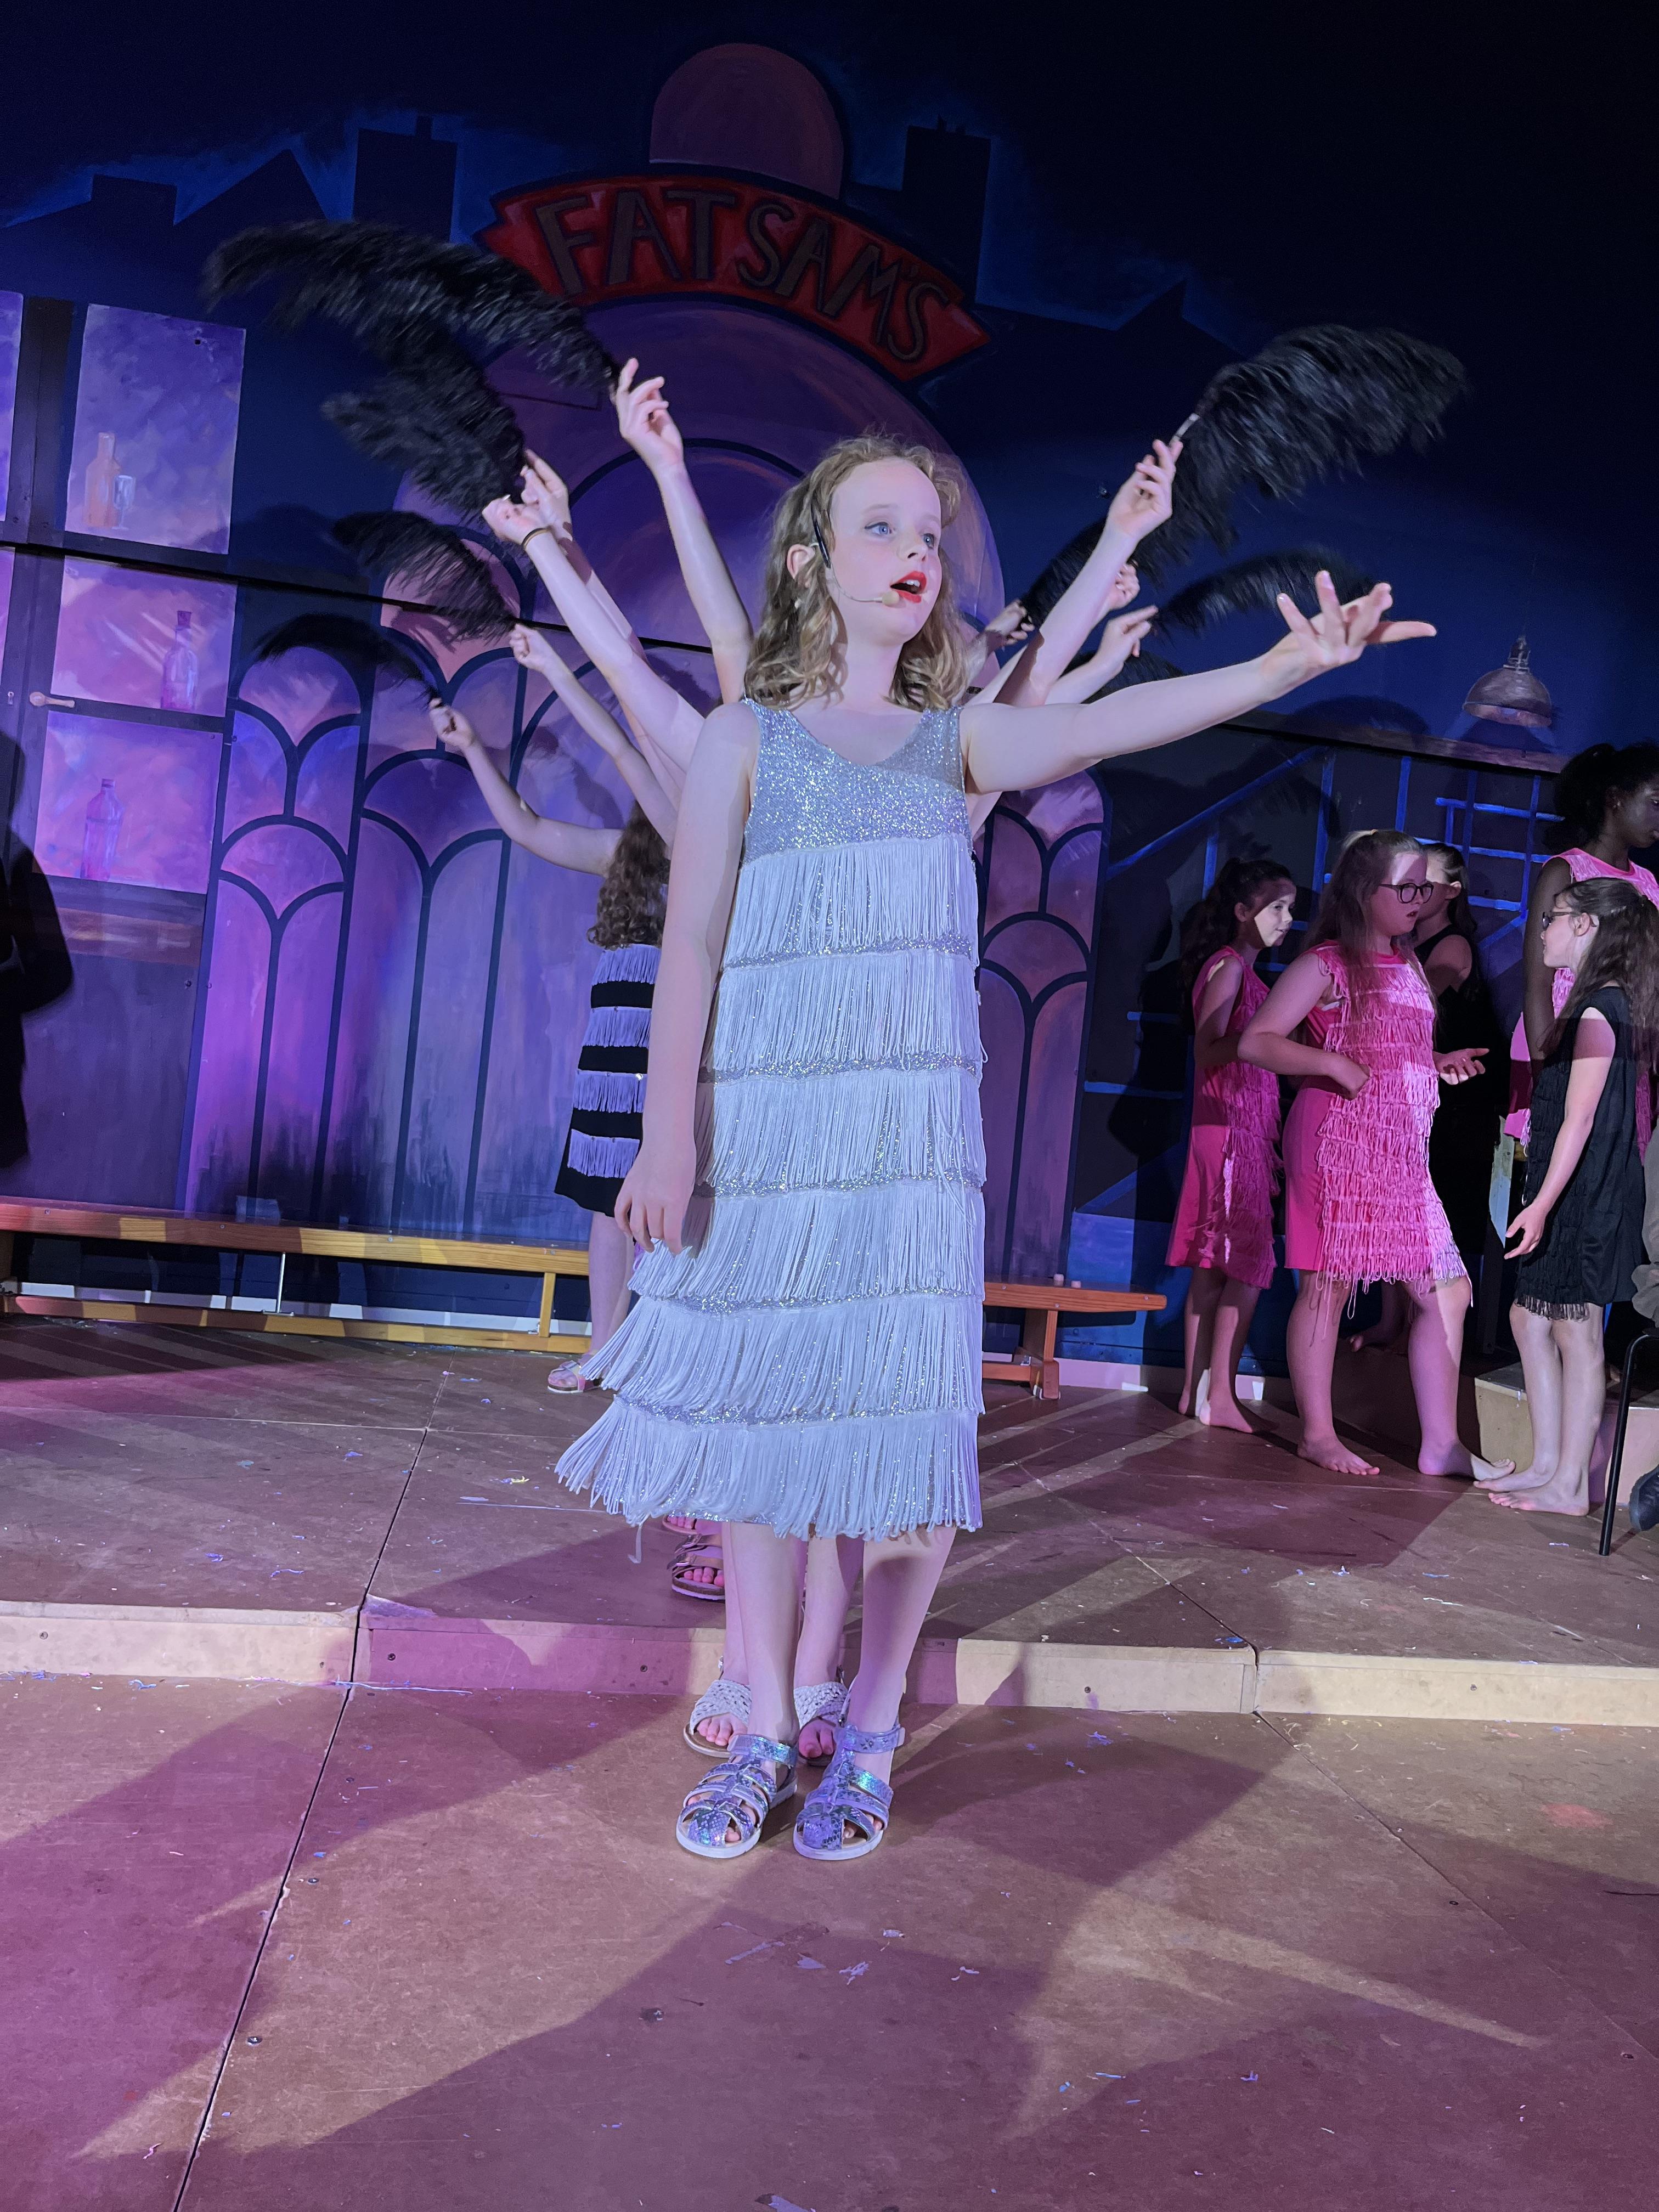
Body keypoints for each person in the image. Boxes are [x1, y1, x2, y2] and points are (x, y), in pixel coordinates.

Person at [547, 428, 1429, 1863]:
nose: (918, 552)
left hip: (908, 1170)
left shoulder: (954, 742)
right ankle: (764, 1724)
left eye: (931, 532)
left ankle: (868, 1731)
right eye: (884, 526)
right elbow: (690, 946)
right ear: (813, 561)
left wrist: (1279, 672)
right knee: (765, 1454)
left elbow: (1106, 726)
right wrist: (665, 1138)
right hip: (768, 1152)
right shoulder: (743, 741)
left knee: (903, 1458)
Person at [427, 651, 674, 1401]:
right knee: (608, 1210)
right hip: (611, 1067)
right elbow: (528, 827)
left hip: (673, 1067)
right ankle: (604, 1353)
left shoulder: (723, 867)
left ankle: (658, 1359)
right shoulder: (626, 861)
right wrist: (474, 747)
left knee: (668, 1215)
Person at [1239, 831, 1506, 1481]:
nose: (1419, 899)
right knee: (1328, 1283)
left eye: (1424, 887)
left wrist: (1435, 1063)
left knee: (1448, 1288)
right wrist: (1330, 1062)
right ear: (1364, 891)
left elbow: (1394, 1045)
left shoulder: (1410, 961)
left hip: (1401, 1152)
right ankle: (1318, 1434)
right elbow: (1257, 1042)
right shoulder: (1325, 964)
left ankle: (1440, 1444)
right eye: (1406, 887)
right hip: (1337, 1141)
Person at [1479, 878, 1659, 1516]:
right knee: (1529, 1318)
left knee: (1575, 1328)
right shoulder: (1596, 1003)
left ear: (1586, 926)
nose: (1543, 930)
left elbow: (1581, 1122)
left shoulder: (1600, 1010)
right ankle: (1549, 1465)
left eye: (1553, 918)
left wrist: (1540, 1205)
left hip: (1586, 1192)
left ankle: (1571, 1485)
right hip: (1572, 1186)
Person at [1166, 857, 1297, 1430]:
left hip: (1236, 1131)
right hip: (1229, 1132)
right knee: (1245, 1262)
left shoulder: (1245, 973)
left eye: (1290, 909)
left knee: (1216, 1265)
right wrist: (1263, 1038)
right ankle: (1218, 1392)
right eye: (1277, 907)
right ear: (1243, 911)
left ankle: (1196, 1389)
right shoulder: (1229, 968)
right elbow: (1208, 1049)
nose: (1287, 919)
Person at [1511, 743, 1659, 1155]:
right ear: (1615, 799)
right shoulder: (1566, 871)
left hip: (1627, 1049)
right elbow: (1538, 984)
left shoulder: (1650, 884)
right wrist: (1547, 1075)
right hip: (1569, 1043)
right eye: (1656, 803)